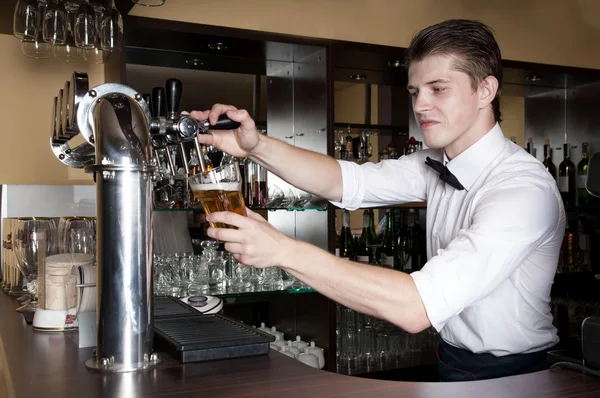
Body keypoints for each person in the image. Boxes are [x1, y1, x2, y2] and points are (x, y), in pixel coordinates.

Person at [190, 19, 565, 382]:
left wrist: (283, 251)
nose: (420, 106)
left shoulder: (522, 189)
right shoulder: (435, 163)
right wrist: (254, 147)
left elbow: (417, 306)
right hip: (451, 359)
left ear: (485, 90)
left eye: (438, 89)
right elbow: (345, 181)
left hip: (515, 375)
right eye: (415, 92)